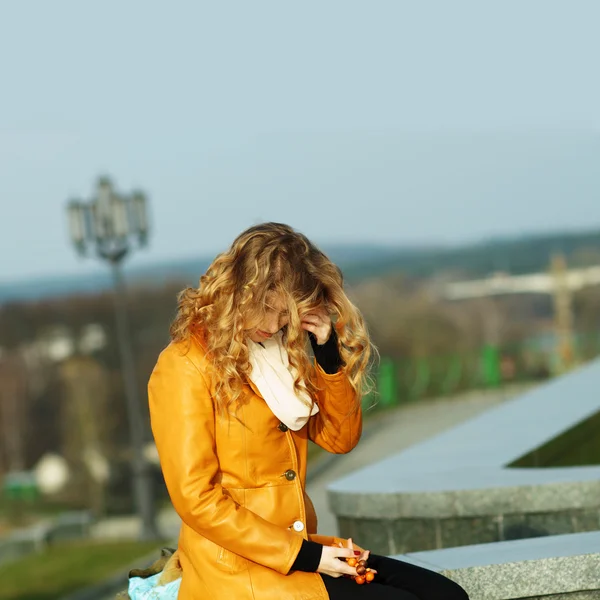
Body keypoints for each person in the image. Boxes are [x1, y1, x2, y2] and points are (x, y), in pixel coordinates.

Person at [147, 222, 469, 600]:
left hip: (302, 552)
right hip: (241, 570)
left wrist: (327, 351)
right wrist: (307, 555)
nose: (274, 325)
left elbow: (341, 438)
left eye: (286, 315)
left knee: (445, 594)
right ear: (239, 291)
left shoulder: (281, 352)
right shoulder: (184, 365)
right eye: (268, 309)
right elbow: (196, 500)